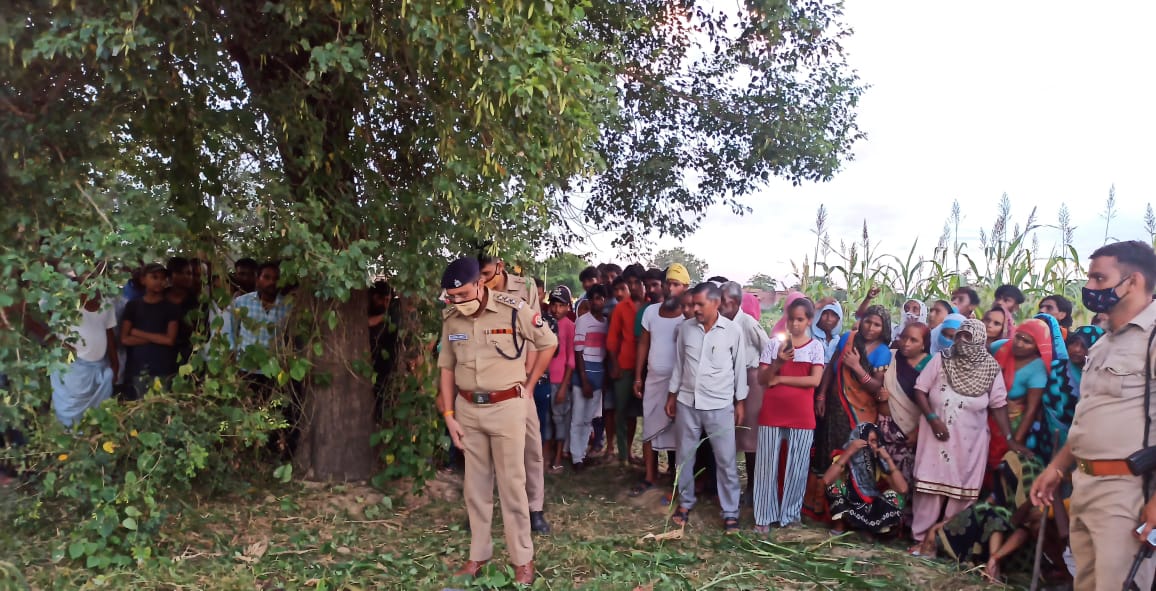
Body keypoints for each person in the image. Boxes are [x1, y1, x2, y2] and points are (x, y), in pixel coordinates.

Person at [1031, 240, 1156, 591]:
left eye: (1100, 279)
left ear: (1132, 282)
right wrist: (1057, 467)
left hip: (1129, 492)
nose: (1090, 288)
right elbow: (1089, 418)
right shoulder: (1103, 342)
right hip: (1085, 485)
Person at [436, 257, 557, 585]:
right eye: (452, 296)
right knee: (475, 488)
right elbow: (446, 368)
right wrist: (449, 416)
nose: (457, 301)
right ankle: (478, 555)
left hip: (507, 408)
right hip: (468, 411)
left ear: (479, 284)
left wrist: (529, 386)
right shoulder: (451, 320)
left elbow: (549, 343)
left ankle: (522, 560)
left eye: (462, 294)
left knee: (512, 486)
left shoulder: (514, 309)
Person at [910, 318, 1026, 547]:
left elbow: (999, 404)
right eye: (960, 336)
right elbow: (920, 390)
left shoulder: (991, 368)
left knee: (961, 492)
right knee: (928, 488)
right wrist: (933, 419)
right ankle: (920, 539)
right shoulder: (940, 360)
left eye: (969, 337)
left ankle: (947, 543)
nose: (963, 341)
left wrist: (1010, 439)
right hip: (936, 435)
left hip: (970, 441)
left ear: (980, 340)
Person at [666, 282, 748, 533]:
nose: (695, 309)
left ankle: (730, 512)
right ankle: (685, 503)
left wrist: (740, 402)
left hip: (720, 404)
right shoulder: (685, 329)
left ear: (716, 303)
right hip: (687, 402)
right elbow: (679, 364)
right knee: (685, 457)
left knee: (725, 460)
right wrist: (672, 395)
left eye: (700, 304)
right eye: (693, 304)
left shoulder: (732, 331)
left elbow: (739, 368)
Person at [753, 297, 825, 531]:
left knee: (798, 467)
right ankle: (763, 516)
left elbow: (814, 380)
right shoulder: (774, 345)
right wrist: (777, 363)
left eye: (800, 319)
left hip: (802, 416)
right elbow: (762, 379)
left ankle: (790, 516)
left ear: (809, 321)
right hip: (772, 412)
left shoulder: (815, 347)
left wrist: (781, 377)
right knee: (766, 467)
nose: (794, 324)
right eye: (791, 319)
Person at [632, 264, 691, 495]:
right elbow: (643, 344)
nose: (670, 288)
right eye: (668, 283)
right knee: (650, 426)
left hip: (679, 384)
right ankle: (649, 475)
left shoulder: (689, 318)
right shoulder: (650, 312)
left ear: (685, 288)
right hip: (654, 380)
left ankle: (676, 477)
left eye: (676, 284)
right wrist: (638, 376)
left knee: (678, 430)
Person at [813, 305, 893, 475]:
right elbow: (830, 369)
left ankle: (850, 496)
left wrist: (857, 367)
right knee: (827, 448)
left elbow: (876, 387)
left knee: (853, 453)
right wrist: (821, 395)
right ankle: (824, 495)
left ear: (884, 328)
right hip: (834, 407)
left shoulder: (882, 352)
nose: (870, 328)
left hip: (860, 412)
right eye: (867, 321)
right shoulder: (847, 339)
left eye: (877, 325)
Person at [721, 281, 771, 501]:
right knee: (730, 435)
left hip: (751, 380)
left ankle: (752, 488)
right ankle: (727, 487)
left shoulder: (747, 322)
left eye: (724, 302)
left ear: (735, 303)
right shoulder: (721, 323)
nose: (720, 306)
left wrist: (763, 375)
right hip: (729, 380)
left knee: (750, 436)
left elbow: (768, 348)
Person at [880, 322, 932, 511]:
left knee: (906, 478)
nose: (906, 343)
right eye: (903, 337)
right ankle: (879, 520)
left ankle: (900, 524)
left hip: (913, 432)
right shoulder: (891, 358)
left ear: (924, 344)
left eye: (913, 340)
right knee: (883, 474)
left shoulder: (932, 366)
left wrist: (919, 431)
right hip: (886, 429)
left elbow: (935, 404)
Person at [823, 422, 909, 535]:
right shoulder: (844, 457)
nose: (870, 445)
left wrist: (888, 459)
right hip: (851, 505)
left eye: (873, 441)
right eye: (865, 440)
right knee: (834, 486)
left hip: (871, 507)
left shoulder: (878, 463)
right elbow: (826, 480)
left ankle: (876, 531)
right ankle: (840, 526)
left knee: (895, 496)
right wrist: (849, 451)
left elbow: (903, 489)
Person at [51, 290, 118, 427]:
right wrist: (57, 343)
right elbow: (31, 316)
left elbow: (109, 331)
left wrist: (115, 363)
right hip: (72, 368)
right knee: (70, 414)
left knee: (95, 417)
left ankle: (91, 443)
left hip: (98, 367)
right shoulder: (64, 300)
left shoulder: (106, 301)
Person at [120, 262, 181, 400]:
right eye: (154, 277)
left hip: (163, 368)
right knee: (137, 410)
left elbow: (170, 340)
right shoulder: (133, 306)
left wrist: (137, 333)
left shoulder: (171, 308)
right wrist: (159, 338)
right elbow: (124, 339)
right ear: (143, 280)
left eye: (162, 278)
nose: (159, 281)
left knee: (161, 411)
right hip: (137, 367)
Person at [607, 264, 645, 466]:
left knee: (637, 414)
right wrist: (614, 365)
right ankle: (623, 455)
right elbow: (612, 340)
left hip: (647, 368)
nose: (633, 287)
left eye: (636, 282)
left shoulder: (652, 307)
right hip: (623, 366)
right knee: (620, 412)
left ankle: (640, 456)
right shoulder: (621, 308)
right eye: (629, 283)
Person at [570, 285, 609, 470]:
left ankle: (582, 454)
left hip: (599, 377)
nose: (597, 302)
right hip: (583, 377)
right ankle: (575, 457)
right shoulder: (583, 320)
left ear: (605, 300)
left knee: (588, 419)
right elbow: (578, 351)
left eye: (601, 298)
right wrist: (584, 379)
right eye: (594, 298)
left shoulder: (607, 323)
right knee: (577, 417)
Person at [546, 287, 575, 474]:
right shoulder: (543, 323)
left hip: (559, 382)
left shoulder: (569, 326)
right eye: (554, 305)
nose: (557, 309)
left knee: (559, 419)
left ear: (568, 307)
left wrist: (564, 386)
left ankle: (558, 457)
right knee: (545, 419)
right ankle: (544, 455)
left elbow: (571, 360)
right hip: (543, 380)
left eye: (561, 306)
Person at [812, 299, 845, 363]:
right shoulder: (809, 335)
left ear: (839, 318)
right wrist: (818, 305)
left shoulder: (840, 341)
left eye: (834, 315)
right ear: (818, 315)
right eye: (824, 313)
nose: (829, 319)